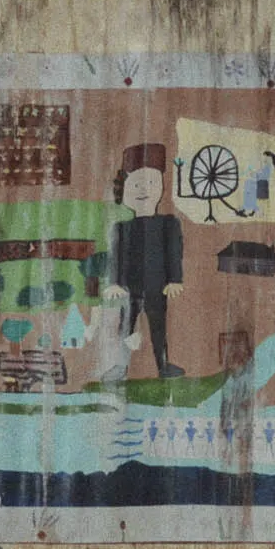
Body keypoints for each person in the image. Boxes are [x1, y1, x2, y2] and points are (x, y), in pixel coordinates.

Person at [104, 143, 185, 379]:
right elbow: (116, 257)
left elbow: (174, 252)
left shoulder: (169, 224)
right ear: (125, 190)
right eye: (137, 184)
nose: (144, 190)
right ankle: (120, 367)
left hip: (157, 286)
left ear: (161, 186)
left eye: (151, 182)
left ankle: (163, 366)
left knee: (158, 328)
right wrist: (114, 282)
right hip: (130, 288)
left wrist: (175, 279)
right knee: (125, 328)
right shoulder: (122, 228)